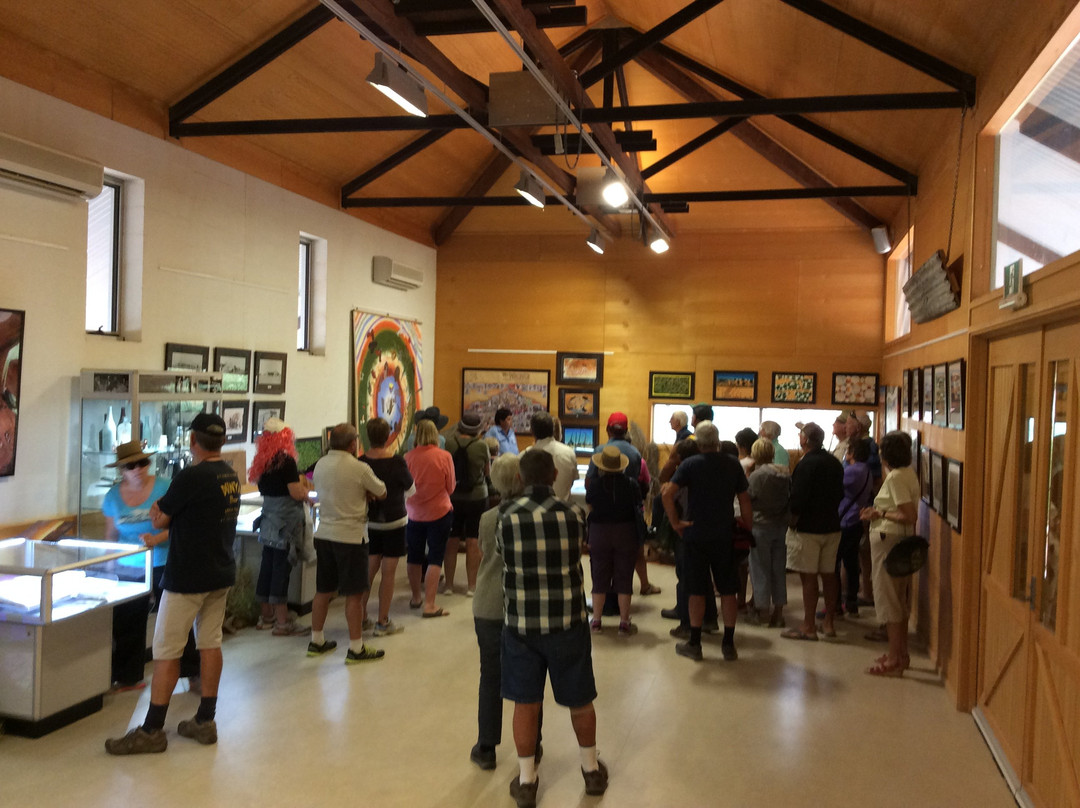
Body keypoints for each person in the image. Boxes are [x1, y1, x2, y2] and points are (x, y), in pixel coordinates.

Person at [105, 413, 240, 755]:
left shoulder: (189, 477)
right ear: (222, 441)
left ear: (193, 441)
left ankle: (152, 729)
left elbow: (159, 516)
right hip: (220, 572)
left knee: (166, 650)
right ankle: (205, 719)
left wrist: (166, 515)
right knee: (210, 643)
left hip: (186, 576)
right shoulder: (230, 475)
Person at [496, 450, 607, 806]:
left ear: (520, 479)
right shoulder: (573, 514)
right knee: (580, 700)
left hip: (521, 624)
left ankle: (527, 780)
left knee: (525, 703)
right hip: (568, 621)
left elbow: (502, 555)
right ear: (555, 473)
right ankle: (590, 770)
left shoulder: (505, 517)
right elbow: (578, 551)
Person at [471, 452, 540, 771]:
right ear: (521, 479)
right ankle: (532, 742)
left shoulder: (488, 519)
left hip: (488, 603)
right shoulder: (534, 515)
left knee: (491, 675)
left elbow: (486, 552)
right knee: (529, 676)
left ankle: (486, 746)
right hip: (522, 605)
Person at [662, 421, 751, 662]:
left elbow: (667, 493)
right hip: (724, 534)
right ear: (718, 441)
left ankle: (695, 642)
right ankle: (728, 643)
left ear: (699, 444)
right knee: (728, 590)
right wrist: (747, 526)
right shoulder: (733, 463)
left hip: (696, 533)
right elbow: (744, 500)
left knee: (697, 590)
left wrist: (676, 523)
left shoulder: (690, 464)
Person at [308, 423, 387, 663]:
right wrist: (366, 493)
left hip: (324, 532)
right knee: (354, 593)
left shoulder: (321, 464)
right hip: (351, 536)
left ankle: (317, 640)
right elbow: (381, 491)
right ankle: (356, 648)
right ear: (353, 444)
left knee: (323, 590)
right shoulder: (359, 467)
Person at [102, 440, 172, 690]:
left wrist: (157, 539)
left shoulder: (165, 487)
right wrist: (109, 566)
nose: (139, 469)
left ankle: (188, 671)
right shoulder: (112, 496)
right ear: (122, 470)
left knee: (173, 618)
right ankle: (127, 677)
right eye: (132, 465)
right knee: (128, 619)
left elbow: (178, 524)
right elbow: (111, 534)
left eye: (143, 463)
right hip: (129, 564)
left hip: (163, 561)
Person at [860, 431, 920, 676]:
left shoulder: (895, 477)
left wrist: (878, 514)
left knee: (890, 601)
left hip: (889, 540)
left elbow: (908, 514)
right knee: (899, 599)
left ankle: (895, 659)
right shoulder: (908, 473)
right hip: (899, 540)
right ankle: (900, 653)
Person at [249, 417, 312, 636]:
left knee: (267, 567)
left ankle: (266, 618)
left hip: (268, 521)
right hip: (286, 524)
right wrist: (306, 493)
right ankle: (283, 623)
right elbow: (295, 492)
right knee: (281, 571)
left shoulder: (262, 461)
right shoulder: (286, 461)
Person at [782, 422, 844, 641]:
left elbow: (798, 499)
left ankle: (808, 625)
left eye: (801, 434)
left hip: (808, 528)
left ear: (805, 440)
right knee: (829, 575)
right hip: (832, 525)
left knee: (808, 577)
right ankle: (829, 623)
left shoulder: (805, 464)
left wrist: (791, 520)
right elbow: (840, 493)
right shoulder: (834, 462)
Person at [586, 412, 658, 598]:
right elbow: (642, 486)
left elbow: (589, 483)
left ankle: (605, 601)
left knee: (603, 559)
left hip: (602, 515)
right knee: (629, 556)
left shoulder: (599, 450)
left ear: (608, 429)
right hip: (628, 514)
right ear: (626, 431)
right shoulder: (635, 453)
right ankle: (629, 596)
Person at [359, 416, 414, 637]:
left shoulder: (361, 462)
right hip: (394, 522)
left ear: (367, 437)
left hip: (370, 523)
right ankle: (382, 621)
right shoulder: (397, 462)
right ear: (388, 436)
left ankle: (361, 617)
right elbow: (411, 489)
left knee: (369, 571)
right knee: (388, 574)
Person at [585, 445, 640, 636]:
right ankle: (624, 623)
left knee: (599, 576)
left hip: (599, 532)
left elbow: (590, 504)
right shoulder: (631, 484)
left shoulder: (595, 484)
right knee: (624, 577)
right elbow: (638, 506)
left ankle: (597, 622)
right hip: (626, 531)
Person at [404, 418, 455, 617]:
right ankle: (430, 604)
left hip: (414, 513)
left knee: (414, 556)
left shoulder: (407, 457)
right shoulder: (444, 456)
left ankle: (416, 597)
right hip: (439, 512)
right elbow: (450, 487)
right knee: (435, 557)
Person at [444, 412, 490, 596]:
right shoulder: (481, 446)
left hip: (453, 496)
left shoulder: (448, 444)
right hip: (477, 496)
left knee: (451, 540)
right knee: (473, 540)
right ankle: (471, 586)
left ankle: (448, 585)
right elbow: (487, 472)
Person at [746, 438, 790, 627]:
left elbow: (748, 498)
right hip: (781, 525)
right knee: (778, 569)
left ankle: (761, 610)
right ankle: (778, 613)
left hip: (760, 525)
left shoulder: (757, 476)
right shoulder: (785, 473)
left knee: (760, 568)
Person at [837, 438, 873, 617]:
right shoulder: (865, 469)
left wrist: (844, 462)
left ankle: (838, 603)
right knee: (851, 562)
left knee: (837, 561)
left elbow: (836, 483)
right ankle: (851, 601)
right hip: (856, 518)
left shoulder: (852, 471)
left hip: (846, 519)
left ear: (852, 452)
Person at [528, 410, 578, 501]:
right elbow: (572, 481)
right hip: (563, 509)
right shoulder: (569, 453)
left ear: (532, 431)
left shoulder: (525, 456)